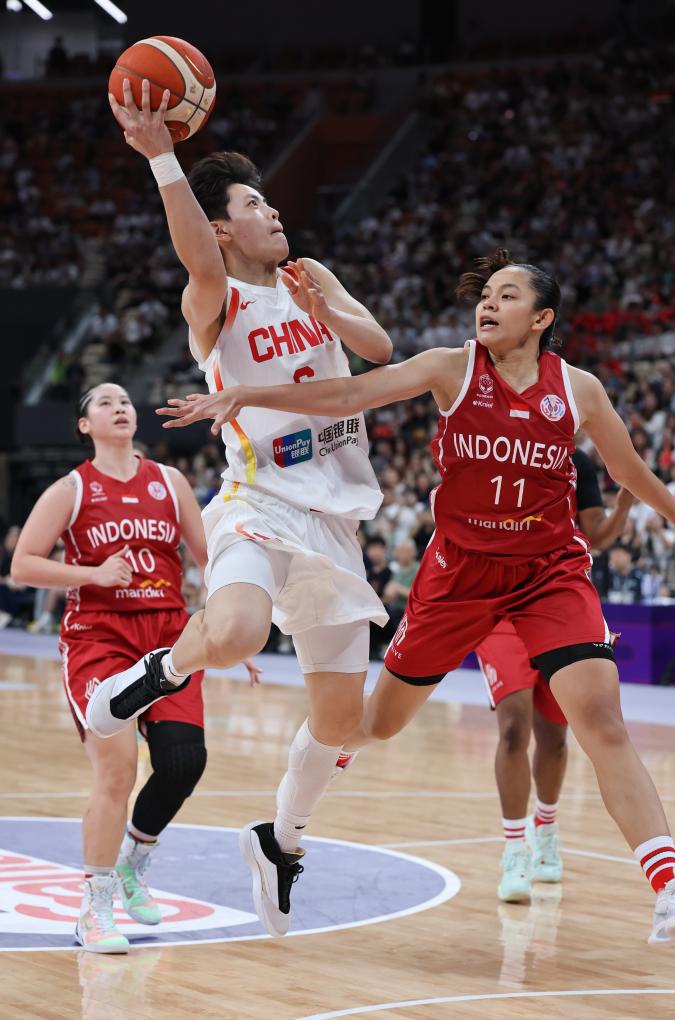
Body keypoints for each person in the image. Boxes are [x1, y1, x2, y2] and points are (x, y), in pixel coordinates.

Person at [153, 249, 675, 943]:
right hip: (459, 578)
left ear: (542, 318)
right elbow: (349, 396)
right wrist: (249, 394)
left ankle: (669, 888)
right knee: (371, 724)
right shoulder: (449, 368)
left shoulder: (577, 388)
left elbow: (627, 469)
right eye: (486, 294)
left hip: (548, 572)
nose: (488, 303)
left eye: (508, 295)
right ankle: (281, 831)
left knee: (601, 720)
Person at [87, 79, 391, 938]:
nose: (273, 210)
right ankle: (145, 682)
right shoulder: (214, 296)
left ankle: (279, 838)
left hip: (336, 516)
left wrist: (325, 308)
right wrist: (163, 161)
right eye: (254, 204)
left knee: (344, 723)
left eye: (269, 200)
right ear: (223, 228)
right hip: (259, 498)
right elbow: (194, 256)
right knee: (237, 633)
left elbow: (377, 350)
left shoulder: (309, 275)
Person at [11, 383, 260, 954]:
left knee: (183, 761)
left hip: (170, 635)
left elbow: (210, 559)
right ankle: (94, 906)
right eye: (105, 402)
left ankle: (134, 858)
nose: (119, 407)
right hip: (100, 638)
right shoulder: (71, 489)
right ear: (84, 425)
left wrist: (235, 628)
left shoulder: (169, 482)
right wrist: (91, 575)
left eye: (124, 401)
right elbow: (23, 565)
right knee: (117, 771)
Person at [476, 449, 635, 903]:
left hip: (556, 603)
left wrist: (626, 498)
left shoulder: (576, 460)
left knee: (554, 736)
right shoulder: (488, 445)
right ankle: (514, 850)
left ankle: (545, 827)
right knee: (513, 728)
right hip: (499, 606)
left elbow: (596, 533)